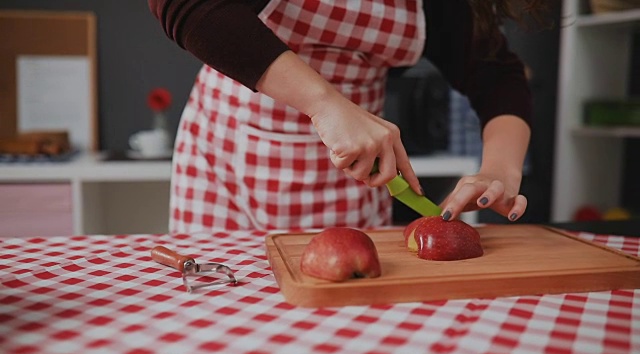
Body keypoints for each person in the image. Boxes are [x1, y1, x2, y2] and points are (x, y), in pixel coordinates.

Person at [147, 0, 548, 232]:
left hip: (356, 182)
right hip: (226, 172)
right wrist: (324, 103)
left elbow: (497, 76)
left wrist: (500, 169)